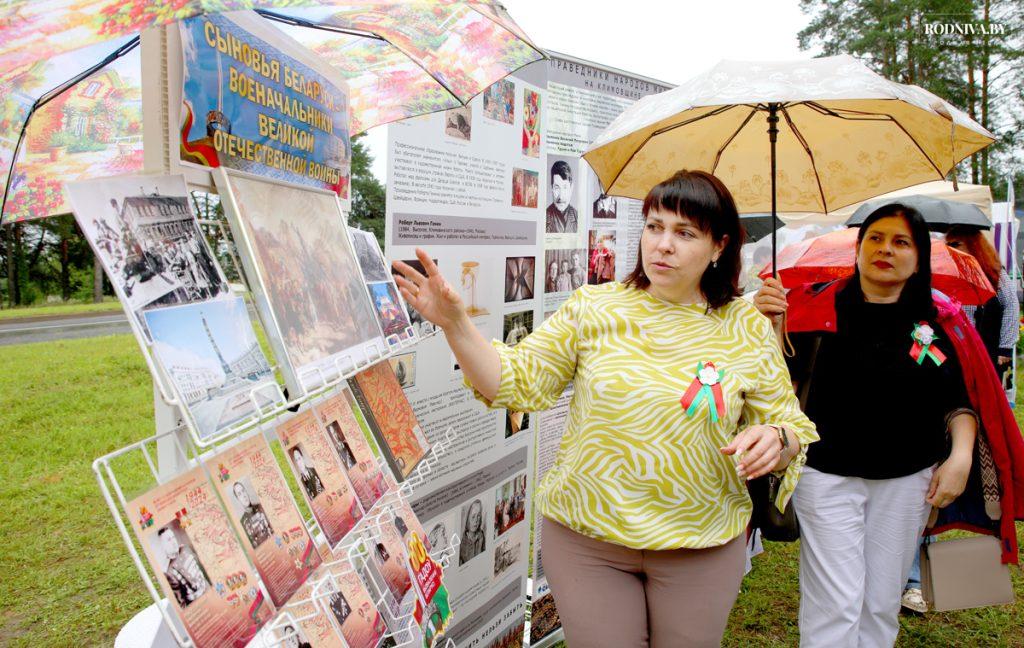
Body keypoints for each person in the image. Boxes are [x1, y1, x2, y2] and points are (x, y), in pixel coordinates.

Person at [394, 169, 817, 647]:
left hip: (700, 544)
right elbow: (515, 382)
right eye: (654, 227)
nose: (662, 245)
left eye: (685, 233)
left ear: (719, 246)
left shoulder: (746, 324)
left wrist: (777, 439)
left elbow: (788, 422)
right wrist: (456, 325)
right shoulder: (594, 308)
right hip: (587, 541)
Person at [753, 205, 981, 647]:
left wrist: (961, 455)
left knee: (879, 601)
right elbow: (773, 382)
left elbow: (958, 403)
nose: (885, 250)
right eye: (875, 238)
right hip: (826, 477)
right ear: (858, 249)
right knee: (833, 603)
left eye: (900, 242)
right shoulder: (812, 309)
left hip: (908, 480)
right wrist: (771, 326)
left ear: (919, 256)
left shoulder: (936, 322)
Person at [945, 225, 1020, 371]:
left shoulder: (993, 272)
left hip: (986, 347)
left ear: (973, 245)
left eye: (955, 244)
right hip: (958, 347)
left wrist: (1005, 347)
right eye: (947, 244)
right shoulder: (950, 272)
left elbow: (1011, 305)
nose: (950, 248)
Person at [158, 526, 209, 607]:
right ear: (163, 546)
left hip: (208, 590)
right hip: (198, 606)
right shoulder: (168, 571)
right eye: (168, 540)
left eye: (173, 537)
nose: (173, 542)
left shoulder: (185, 548)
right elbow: (182, 604)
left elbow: (202, 569)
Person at [232, 481, 273, 549]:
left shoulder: (261, 507)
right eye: (239, 494)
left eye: (243, 491)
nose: (243, 495)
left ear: (246, 492)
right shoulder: (243, 523)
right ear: (238, 499)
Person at [546, 161, 578, 233]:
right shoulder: (543, 218)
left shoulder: (578, 218)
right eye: (557, 187)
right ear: (552, 188)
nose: (561, 196)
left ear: (571, 188)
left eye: (565, 187)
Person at [458, 499, 486, 565]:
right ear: (468, 518)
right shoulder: (463, 541)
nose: (476, 520)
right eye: (473, 517)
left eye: (478, 516)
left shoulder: (481, 536)